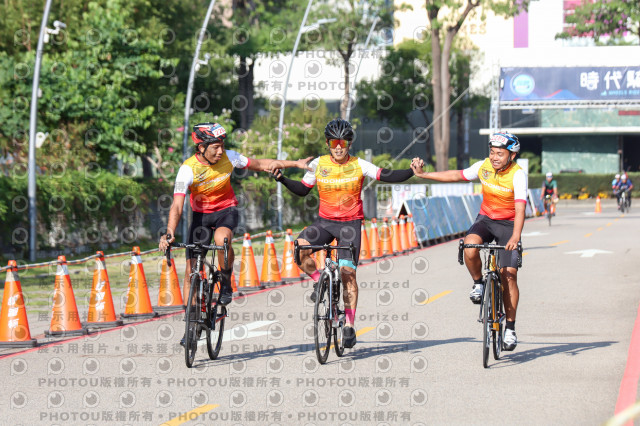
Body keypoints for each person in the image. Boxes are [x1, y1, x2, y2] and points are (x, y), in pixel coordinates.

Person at [158, 122, 310, 345]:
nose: (221, 151)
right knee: (191, 271)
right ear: (201, 148)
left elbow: (261, 164)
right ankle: (191, 324)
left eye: (222, 145)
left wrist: (295, 163)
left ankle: (226, 280)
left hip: (226, 211)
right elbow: (177, 206)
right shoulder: (187, 169)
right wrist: (170, 232)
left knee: (222, 239)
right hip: (201, 217)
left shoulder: (230, 157)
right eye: (215, 147)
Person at [272, 118, 418, 348]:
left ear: (349, 143)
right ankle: (319, 281)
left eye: (343, 142)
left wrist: (411, 171)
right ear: (327, 143)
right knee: (299, 249)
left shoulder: (360, 165)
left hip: (350, 226)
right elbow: (302, 190)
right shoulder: (318, 164)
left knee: (347, 273)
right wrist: (282, 179)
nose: (338, 147)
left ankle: (349, 325)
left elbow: (387, 175)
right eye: (333, 142)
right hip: (324, 223)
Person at [410, 131, 526, 351]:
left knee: (509, 275)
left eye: (500, 154)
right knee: (469, 245)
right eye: (492, 152)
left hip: (509, 224)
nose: (494, 157)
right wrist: (425, 175)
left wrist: (515, 236)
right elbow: (457, 175)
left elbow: (520, 208)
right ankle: (478, 283)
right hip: (486, 219)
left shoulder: (518, 175)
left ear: (511, 156)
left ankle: (510, 328)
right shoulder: (483, 166)